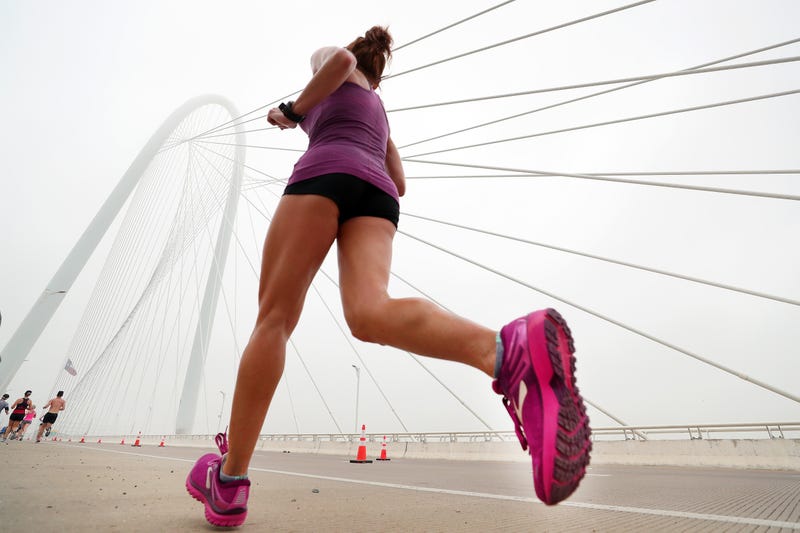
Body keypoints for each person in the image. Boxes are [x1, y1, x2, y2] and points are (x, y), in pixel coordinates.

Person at [186, 26, 590, 527]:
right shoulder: (380, 112)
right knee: (370, 312)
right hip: (377, 196)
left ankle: (228, 483)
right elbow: (399, 181)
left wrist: (293, 113)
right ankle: (504, 352)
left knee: (274, 320)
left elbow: (332, 62)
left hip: (323, 175)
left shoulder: (334, 65)